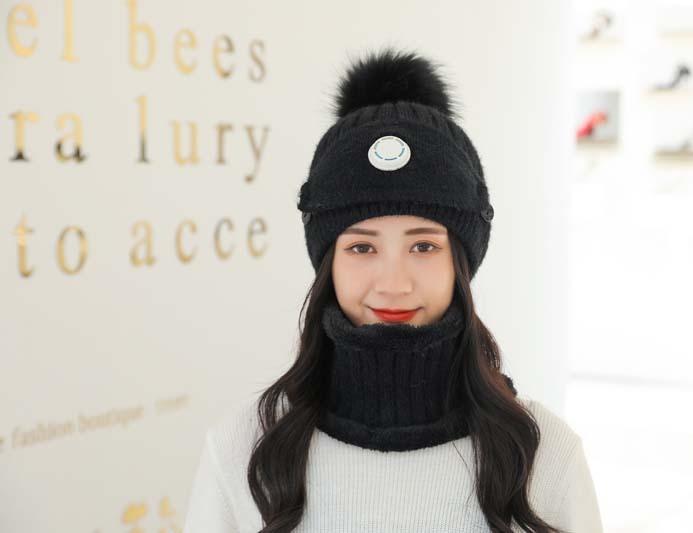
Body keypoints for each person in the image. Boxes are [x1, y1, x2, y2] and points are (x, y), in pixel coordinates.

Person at [183, 46, 603, 533]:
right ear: (329, 263)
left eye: (423, 246)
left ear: (460, 262)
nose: (394, 283)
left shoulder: (544, 455)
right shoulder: (244, 451)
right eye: (362, 248)